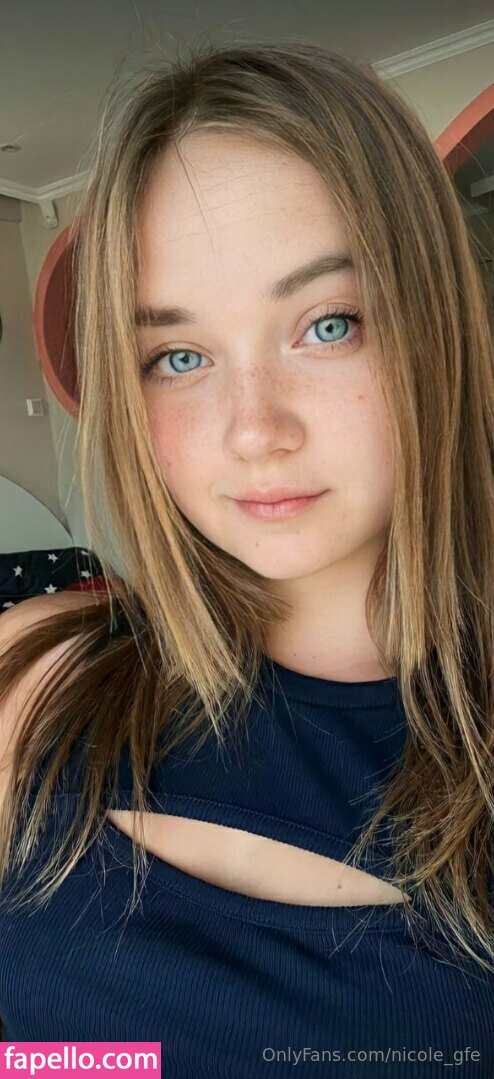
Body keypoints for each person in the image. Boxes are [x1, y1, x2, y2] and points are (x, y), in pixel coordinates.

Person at [0, 38, 493, 1075]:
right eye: (178, 356)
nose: (253, 429)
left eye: (328, 324)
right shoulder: (35, 675)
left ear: (434, 325)